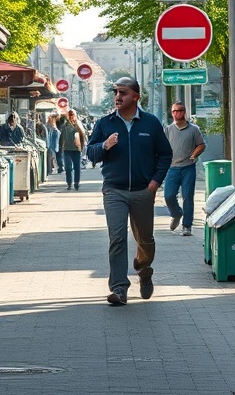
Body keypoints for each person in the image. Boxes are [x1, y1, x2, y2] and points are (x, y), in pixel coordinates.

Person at [86, 76, 172, 305]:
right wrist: (105, 145)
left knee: (145, 239)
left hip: (143, 191)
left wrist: (155, 182)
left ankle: (144, 270)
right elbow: (90, 153)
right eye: (116, 92)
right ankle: (119, 288)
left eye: (123, 92)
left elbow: (165, 154)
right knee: (117, 238)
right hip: (114, 190)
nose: (118, 97)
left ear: (136, 97)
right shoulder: (105, 123)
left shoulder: (150, 123)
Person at [163, 101, 205, 236]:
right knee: (169, 195)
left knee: (187, 196)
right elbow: (162, 148)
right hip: (172, 168)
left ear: (184, 112)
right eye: (174, 111)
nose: (177, 113)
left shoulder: (193, 129)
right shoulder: (168, 130)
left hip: (188, 167)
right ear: (171, 113)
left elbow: (201, 145)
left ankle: (187, 226)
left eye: (180, 111)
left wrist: (194, 155)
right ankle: (176, 213)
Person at [59, 109, 86, 190]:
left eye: (72, 114)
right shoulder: (65, 126)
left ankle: (76, 183)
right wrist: (60, 146)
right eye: (69, 115)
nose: (71, 116)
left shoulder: (78, 125)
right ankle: (69, 183)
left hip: (76, 150)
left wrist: (82, 148)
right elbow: (61, 137)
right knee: (68, 167)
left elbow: (83, 137)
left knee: (77, 167)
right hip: (67, 149)